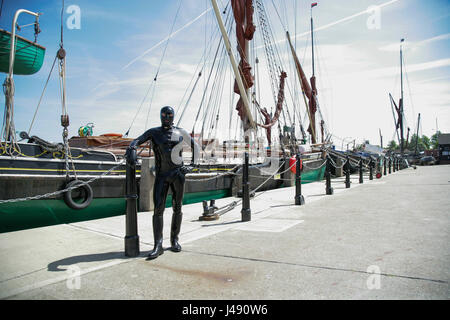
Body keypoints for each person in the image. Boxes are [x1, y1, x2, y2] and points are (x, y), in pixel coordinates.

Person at [126, 106, 199, 260]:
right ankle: (158, 244)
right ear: (160, 116)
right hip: (162, 175)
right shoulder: (154, 132)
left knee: (177, 207)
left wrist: (192, 165)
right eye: (164, 114)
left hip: (178, 174)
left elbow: (195, 147)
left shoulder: (181, 132)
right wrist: (132, 148)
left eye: (169, 114)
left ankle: (174, 239)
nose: (167, 117)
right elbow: (137, 141)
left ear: (173, 116)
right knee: (158, 209)